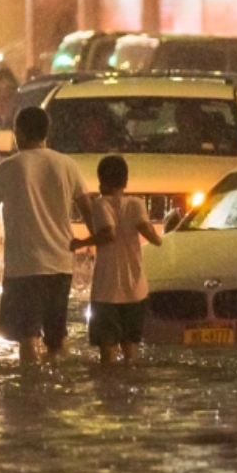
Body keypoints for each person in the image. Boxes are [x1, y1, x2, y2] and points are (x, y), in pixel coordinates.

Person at [0, 107, 93, 365]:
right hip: (61, 266)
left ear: (19, 132)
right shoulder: (67, 165)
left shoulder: (10, 167)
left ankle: (30, 393)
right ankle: (58, 391)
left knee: (27, 340)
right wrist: (97, 241)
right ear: (47, 132)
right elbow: (90, 212)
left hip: (25, 269)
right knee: (57, 340)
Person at [71, 156, 162, 365]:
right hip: (136, 290)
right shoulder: (137, 204)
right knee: (131, 351)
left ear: (101, 182)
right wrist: (160, 238)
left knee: (107, 353)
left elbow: (108, 233)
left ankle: (109, 394)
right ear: (126, 182)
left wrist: (80, 243)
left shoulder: (100, 204)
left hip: (107, 291)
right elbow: (148, 232)